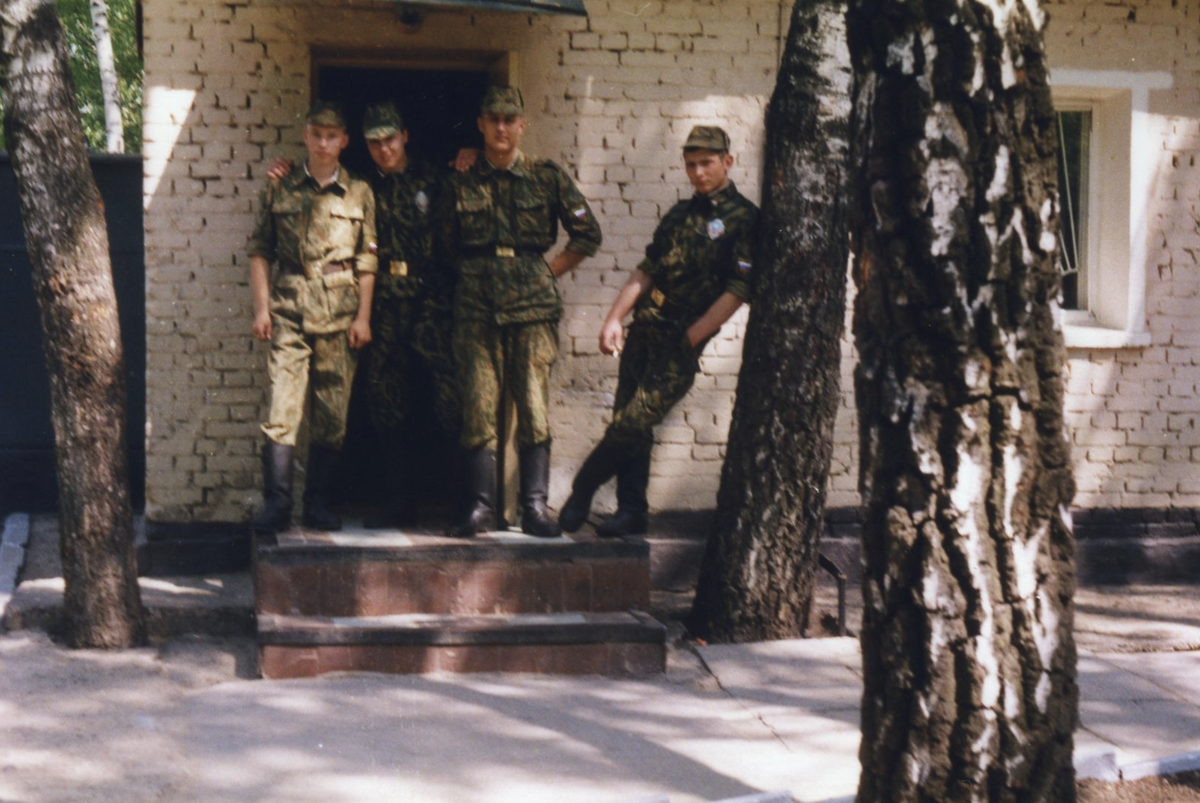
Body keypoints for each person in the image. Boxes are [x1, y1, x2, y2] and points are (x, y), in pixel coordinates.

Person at [559, 125, 759, 538]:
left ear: (727, 162)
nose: (698, 172)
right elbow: (647, 270)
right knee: (629, 420)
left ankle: (583, 489)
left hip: (681, 335)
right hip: (646, 326)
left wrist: (692, 338)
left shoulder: (745, 219)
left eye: (707, 163)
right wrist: (614, 319)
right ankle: (632, 510)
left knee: (633, 421)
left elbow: (738, 291)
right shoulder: (679, 215)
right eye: (691, 164)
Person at [438, 85, 602, 539]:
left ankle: (533, 507)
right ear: (480, 125)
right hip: (476, 309)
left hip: (532, 310)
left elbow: (588, 234)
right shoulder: (461, 180)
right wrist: (478, 275)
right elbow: (445, 246)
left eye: (509, 120)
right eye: (493, 119)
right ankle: (480, 507)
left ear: (522, 125)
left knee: (533, 406)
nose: (501, 127)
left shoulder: (546, 178)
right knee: (478, 407)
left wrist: (548, 272)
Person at [246, 101, 377, 533]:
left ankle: (317, 503)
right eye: (316, 135)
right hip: (289, 310)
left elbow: (367, 261)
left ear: (344, 141)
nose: (323, 143)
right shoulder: (279, 187)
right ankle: (277, 504)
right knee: (282, 408)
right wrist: (262, 308)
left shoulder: (359, 192)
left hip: (340, 315)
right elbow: (260, 251)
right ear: (306, 136)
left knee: (331, 414)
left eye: (331, 136)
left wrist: (363, 317)